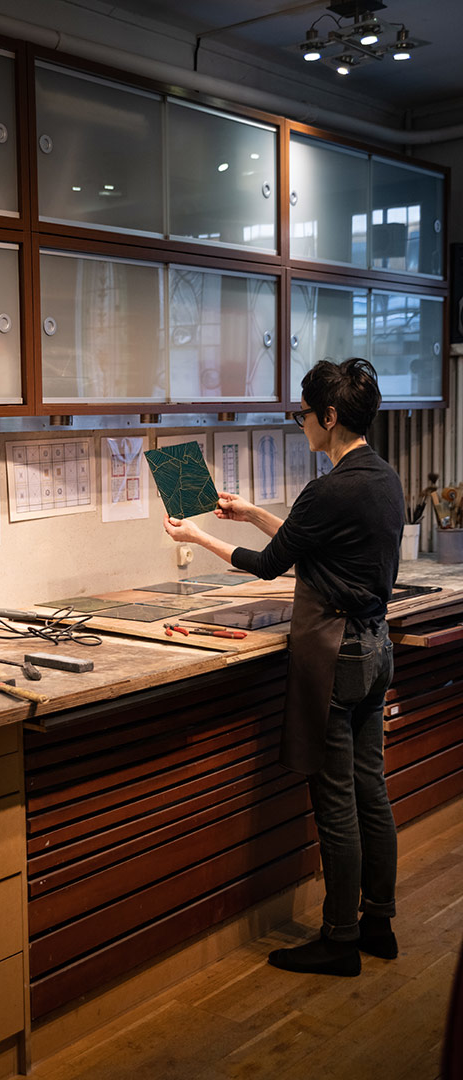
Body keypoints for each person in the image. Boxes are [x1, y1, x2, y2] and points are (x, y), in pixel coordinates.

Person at [163, 358, 405, 978]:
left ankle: (340, 938)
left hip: (338, 654)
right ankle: (378, 923)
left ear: (329, 417)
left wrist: (196, 538)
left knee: (336, 800)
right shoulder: (381, 477)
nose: (300, 423)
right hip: (377, 649)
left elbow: (270, 565)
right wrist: (248, 514)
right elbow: (304, 544)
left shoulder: (329, 487)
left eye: (304, 414)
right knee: (371, 788)